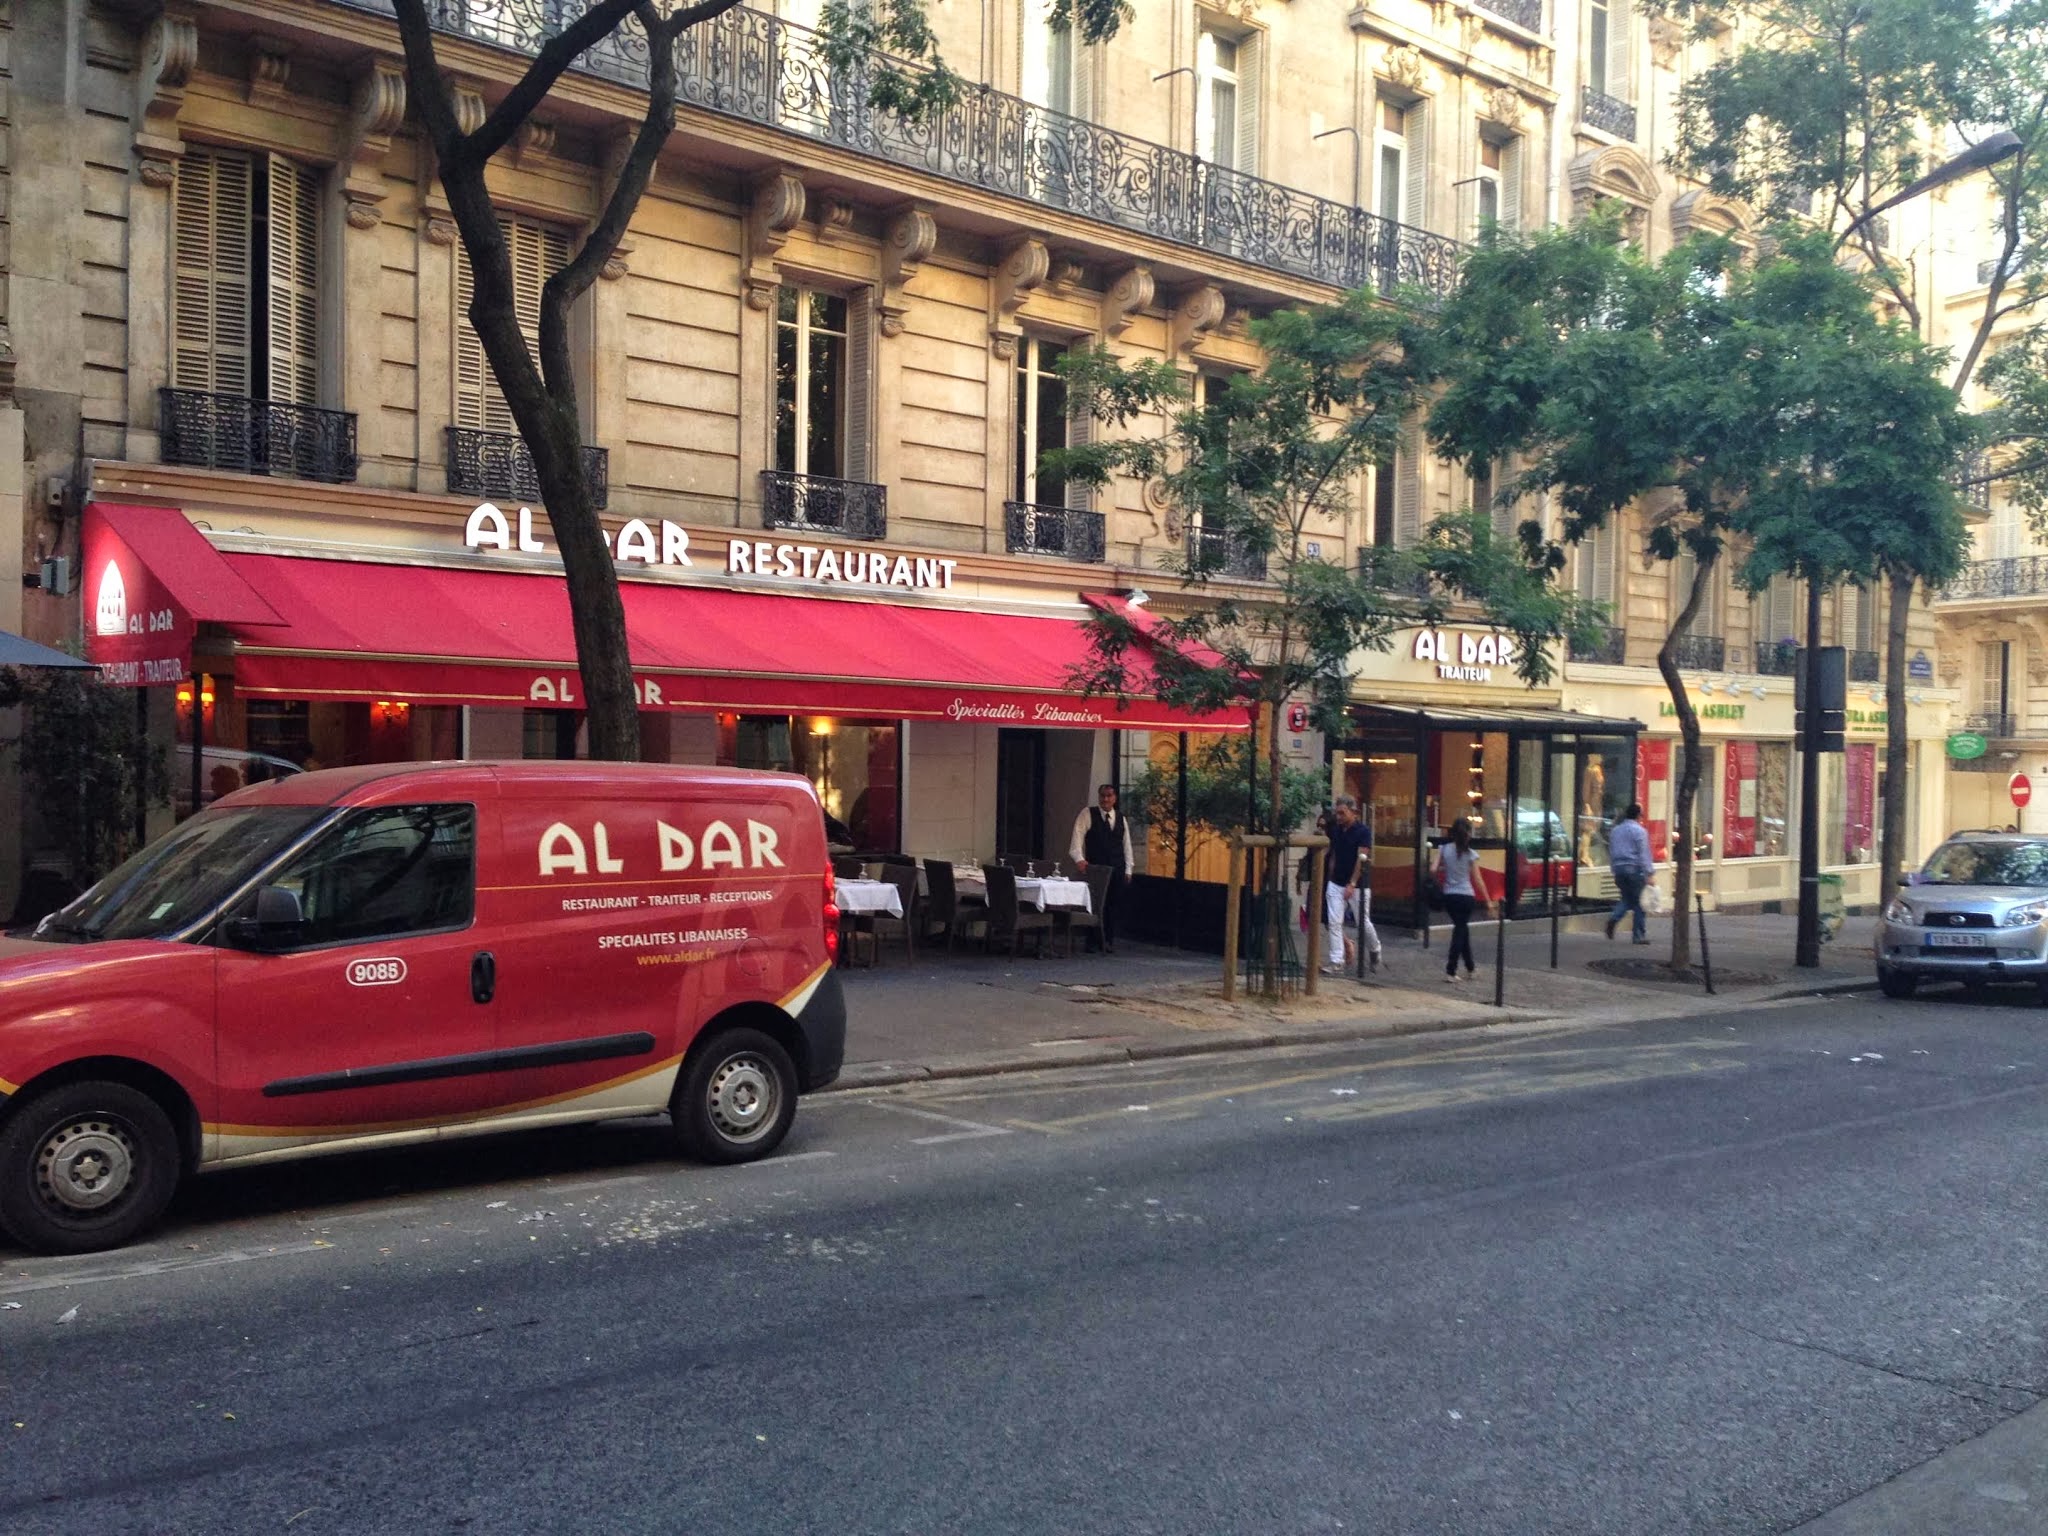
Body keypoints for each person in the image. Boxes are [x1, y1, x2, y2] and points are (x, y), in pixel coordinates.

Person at [1070, 782, 1133, 953]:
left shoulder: (1121, 818)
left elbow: (1126, 845)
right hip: (1096, 868)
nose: (1105, 799)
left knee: (1112, 904)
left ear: (1115, 798)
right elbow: (1077, 837)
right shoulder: (1087, 813)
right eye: (1102, 796)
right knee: (1094, 903)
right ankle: (1091, 941)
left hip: (1117, 867)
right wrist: (1079, 859)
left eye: (1109, 796)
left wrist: (1128, 869)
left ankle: (1107, 941)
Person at [1323, 796, 1381, 976]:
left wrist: (1353, 882)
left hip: (1358, 885)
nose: (1339, 817)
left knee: (1362, 921)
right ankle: (1337, 961)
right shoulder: (1336, 830)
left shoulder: (1363, 832)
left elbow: (1361, 858)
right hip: (1336, 881)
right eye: (1337, 813)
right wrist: (1330, 877)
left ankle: (1375, 948)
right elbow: (1334, 854)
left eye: (1342, 813)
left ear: (1353, 812)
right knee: (1334, 922)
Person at [1434, 817, 1494, 983]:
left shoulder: (1444, 849)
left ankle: (1470, 968)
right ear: (1468, 834)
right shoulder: (1471, 854)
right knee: (1460, 931)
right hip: (1466, 896)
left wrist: (1443, 869)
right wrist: (1488, 901)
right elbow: (1478, 880)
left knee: (1462, 929)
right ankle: (1451, 970)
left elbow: (1432, 869)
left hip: (1449, 896)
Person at [1605, 801, 1654, 945]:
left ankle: (1614, 918)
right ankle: (1638, 935)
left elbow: (1612, 850)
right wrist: (1649, 873)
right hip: (1634, 870)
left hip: (1619, 869)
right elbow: (1643, 854)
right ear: (1639, 816)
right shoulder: (1640, 831)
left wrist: (1614, 868)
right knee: (1639, 903)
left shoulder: (1616, 831)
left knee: (1627, 899)